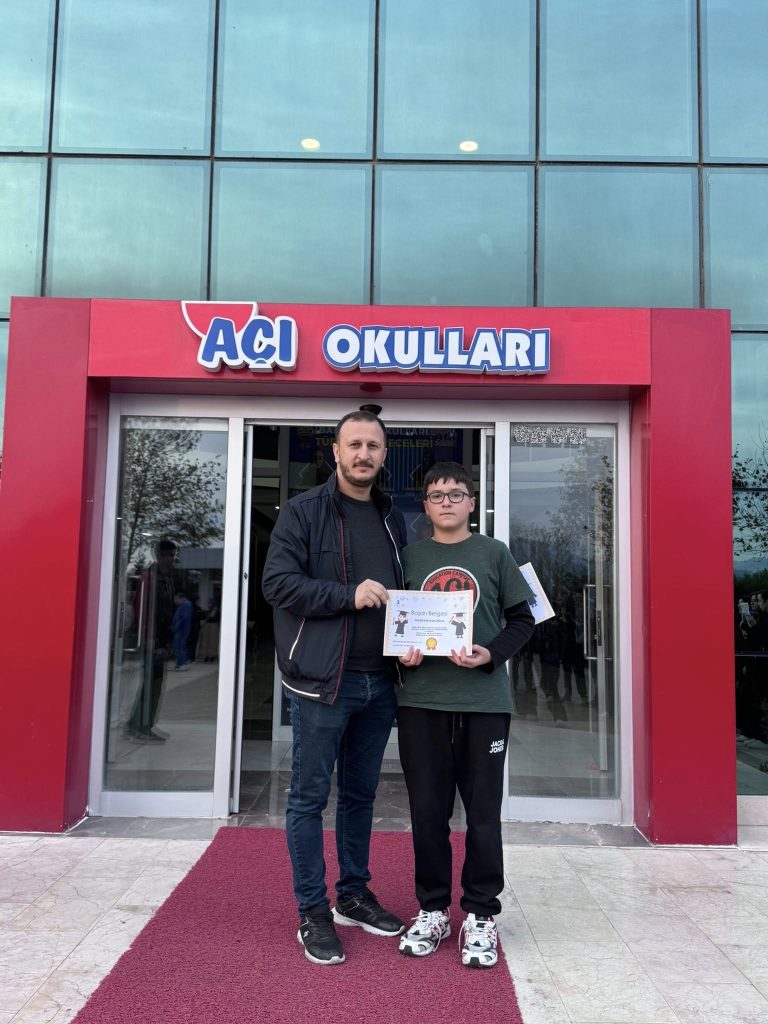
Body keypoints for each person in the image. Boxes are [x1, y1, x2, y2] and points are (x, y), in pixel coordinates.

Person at [262, 409, 407, 966]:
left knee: (361, 796)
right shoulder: (303, 512)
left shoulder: (394, 520)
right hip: (323, 682)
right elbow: (278, 584)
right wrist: (348, 595)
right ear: (336, 452)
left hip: (381, 681)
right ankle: (313, 911)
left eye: (373, 445)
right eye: (354, 444)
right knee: (308, 799)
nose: (363, 454)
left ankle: (353, 895)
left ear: (384, 455)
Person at [396, 461, 534, 968]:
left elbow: (523, 620)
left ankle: (480, 913)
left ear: (472, 502)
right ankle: (432, 909)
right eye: (437, 495)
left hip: (484, 705)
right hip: (421, 702)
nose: (447, 502)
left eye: (456, 494)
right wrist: (401, 653)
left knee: (483, 816)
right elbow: (395, 621)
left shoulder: (494, 553)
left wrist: (491, 653)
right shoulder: (408, 558)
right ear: (426, 506)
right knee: (427, 814)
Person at [124, 539, 178, 742]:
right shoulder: (150, 578)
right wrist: (148, 637)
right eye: (166, 555)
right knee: (150, 684)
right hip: (152, 639)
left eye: (172, 555)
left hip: (162, 638)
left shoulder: (166, 579)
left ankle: (143, 724)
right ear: (158, 555)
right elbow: (142, 609)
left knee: (155, 684)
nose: (170, 559)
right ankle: (138, 726)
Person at [171, 591, 193, 671]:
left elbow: (184, 618)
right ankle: (180, 663)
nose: (175, 601)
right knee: (179, 646)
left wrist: (176, 626)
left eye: (175, 599)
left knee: (180, 646)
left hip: (181, 629)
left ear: (179, 598)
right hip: (180, 629)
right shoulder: (183, 605)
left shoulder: (185, 605)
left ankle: (182, 663)